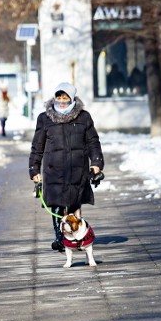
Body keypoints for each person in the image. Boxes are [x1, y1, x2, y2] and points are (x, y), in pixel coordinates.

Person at [29, 82, 104, 252]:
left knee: (73, 205)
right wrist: (34, 170)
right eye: (59, 97)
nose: (62, 101)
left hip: (77, 169)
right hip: (53, 170)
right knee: (56, 205)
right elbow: (37, 147)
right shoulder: (44, 118)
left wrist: (97, 163)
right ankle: (60, 238)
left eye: (65, 98)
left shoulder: (83, 117)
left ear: (72, 99)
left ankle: (76, 236)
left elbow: (93, 142)